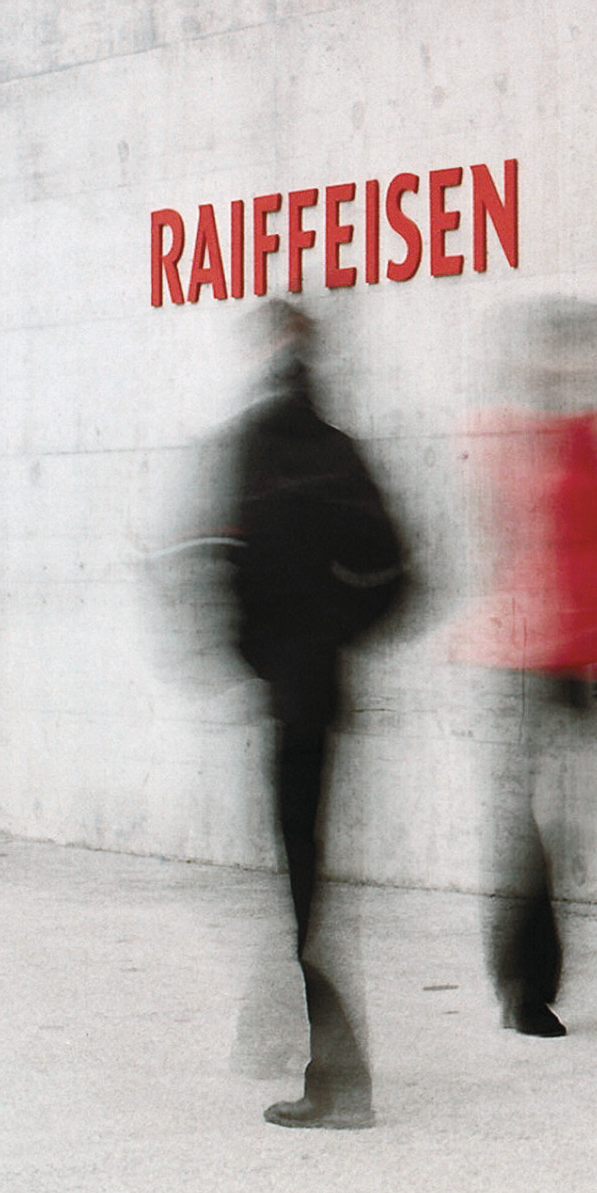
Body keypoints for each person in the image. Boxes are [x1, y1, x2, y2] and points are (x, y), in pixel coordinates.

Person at [221, 300, 406, 1128]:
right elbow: (398, 568)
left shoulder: (256, 449)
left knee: (307, 889)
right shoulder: (338, 453)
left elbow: (224, 565)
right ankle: (311, 1054)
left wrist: (256, 654)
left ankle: (338, 1078)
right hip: (321, 690)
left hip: (287, 693)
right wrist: (338, 635)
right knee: (311, 882)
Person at [457, 301, 597, 1035]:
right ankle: (524, 980)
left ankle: (528, 971)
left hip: (574, 650)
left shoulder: (596, 437)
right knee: (525, 821)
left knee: (571, 819)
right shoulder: (500, 433)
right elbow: (489, 541)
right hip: (516, 650)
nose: (564, 364)